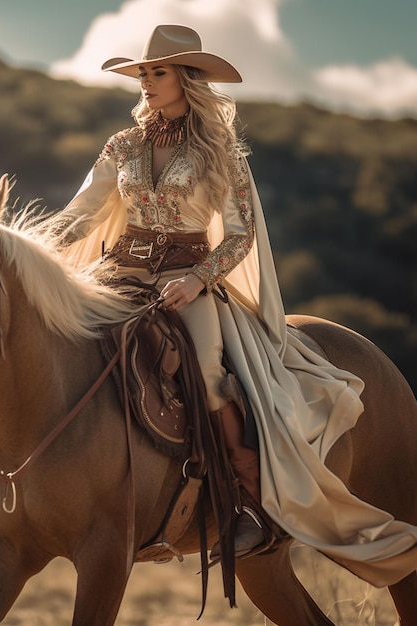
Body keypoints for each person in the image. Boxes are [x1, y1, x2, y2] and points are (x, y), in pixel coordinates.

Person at [57, 24, 417, 583]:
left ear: (187, 78)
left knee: (204, 369)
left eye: (159, 72)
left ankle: (246, 495)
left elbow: (241, 234)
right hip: (118, 273)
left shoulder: (219, 152)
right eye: (144, 73)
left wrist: (199, 281)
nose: (147, 83)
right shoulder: (121, 146)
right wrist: (25, 246)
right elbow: (81, 211)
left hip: (187, 278)